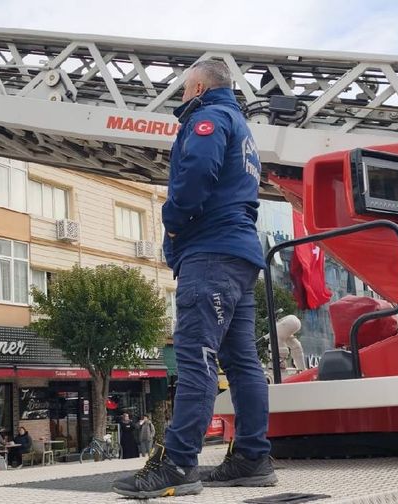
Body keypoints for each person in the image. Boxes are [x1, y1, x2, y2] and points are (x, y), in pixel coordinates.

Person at [113, 60, 276, 499]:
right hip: (240, 256)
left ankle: (179, 465)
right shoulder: (240, 126)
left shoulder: (208, 118)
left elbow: (197, 174)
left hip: (210, 254)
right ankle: (252, 458)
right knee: (242, 363)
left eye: (184, 90)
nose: (182, 98)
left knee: (196, 357)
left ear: (199, 86)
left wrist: (173, 220)